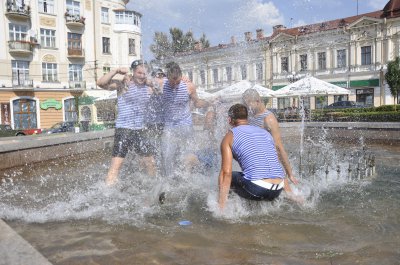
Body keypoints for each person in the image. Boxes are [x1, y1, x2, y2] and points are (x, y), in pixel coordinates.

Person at [218, 104, 297, 210]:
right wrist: (290, 194)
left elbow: (225, 173)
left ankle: (228, 208)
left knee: (230, 176)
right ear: (247, 118)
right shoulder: (265, 133)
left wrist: (220, 208)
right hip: (277, 189)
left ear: (229, 120)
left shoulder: (229, 136)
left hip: (256, 189)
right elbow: (275, 164)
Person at [96, 59, 158, 185]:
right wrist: (115, 71)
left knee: (150, 163)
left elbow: (161, 87)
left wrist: (151, 83)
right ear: (133, 72)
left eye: (144, 73)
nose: (142, 76)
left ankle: (153, 188)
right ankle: (107, 194)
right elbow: (101, 83)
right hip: (124, 130)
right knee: (116, 165)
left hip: (140, 130)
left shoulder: (149, 86)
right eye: (139, 73)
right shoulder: (123, 84)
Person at [155, 61, 211, 177]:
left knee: (187, 153)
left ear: (181, 77)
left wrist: (209, 103)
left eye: (177, 82)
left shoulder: (188, 86)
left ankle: (187, 176)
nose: (175, 85)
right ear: (167, 78)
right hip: (169, 125)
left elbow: (196, 102)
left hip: (185, 124)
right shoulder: (161, 84)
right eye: (172, 82)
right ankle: (169, 179)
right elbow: (147, 79)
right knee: (167, 154)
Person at [242, 89, 299, 190]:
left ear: (257, 101)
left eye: (248, 104)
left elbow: (278, 147)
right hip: (255, 163)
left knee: (289, 196)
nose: (246, 107)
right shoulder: (250, 116)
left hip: (270, 164)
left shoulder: (269, 119)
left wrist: (289, 173)